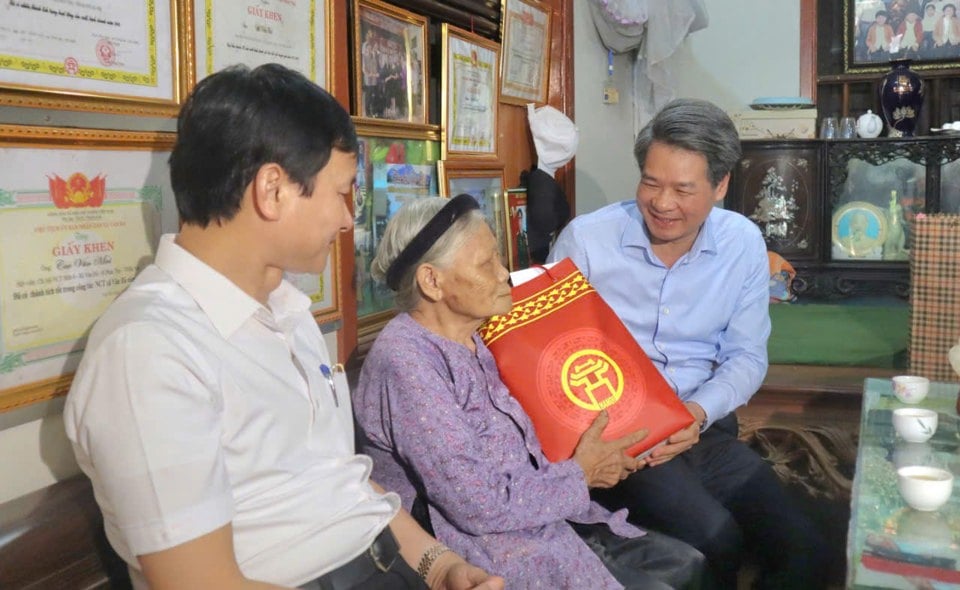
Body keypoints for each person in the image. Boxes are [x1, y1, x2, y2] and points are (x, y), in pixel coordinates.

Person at [63, 63, 503, 590]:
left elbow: (340, 487)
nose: (347, 220)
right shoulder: (149, 349)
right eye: (340, 193)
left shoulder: (289, 314)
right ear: (272, 190)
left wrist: (442, 566)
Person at [353, 195, 708, 589]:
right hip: (484, 550)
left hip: (539, 520)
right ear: (432, 281)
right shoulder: (406, 362)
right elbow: (476, 505)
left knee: (691, 562)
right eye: (486, 263)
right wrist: (582, 473)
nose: (505, 273)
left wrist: (605, 453)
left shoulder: (473, 338)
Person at [547, 98, 829, 589]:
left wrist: (696, 414)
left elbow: (746, 355)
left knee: (804, 544)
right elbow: (549, 358)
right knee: (714, 538)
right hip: (622, 436)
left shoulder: (741, 243)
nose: (662, 203)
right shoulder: (587, 242)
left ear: (720, 186)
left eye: (683, 188)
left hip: (701, 422)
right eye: (650, 183)